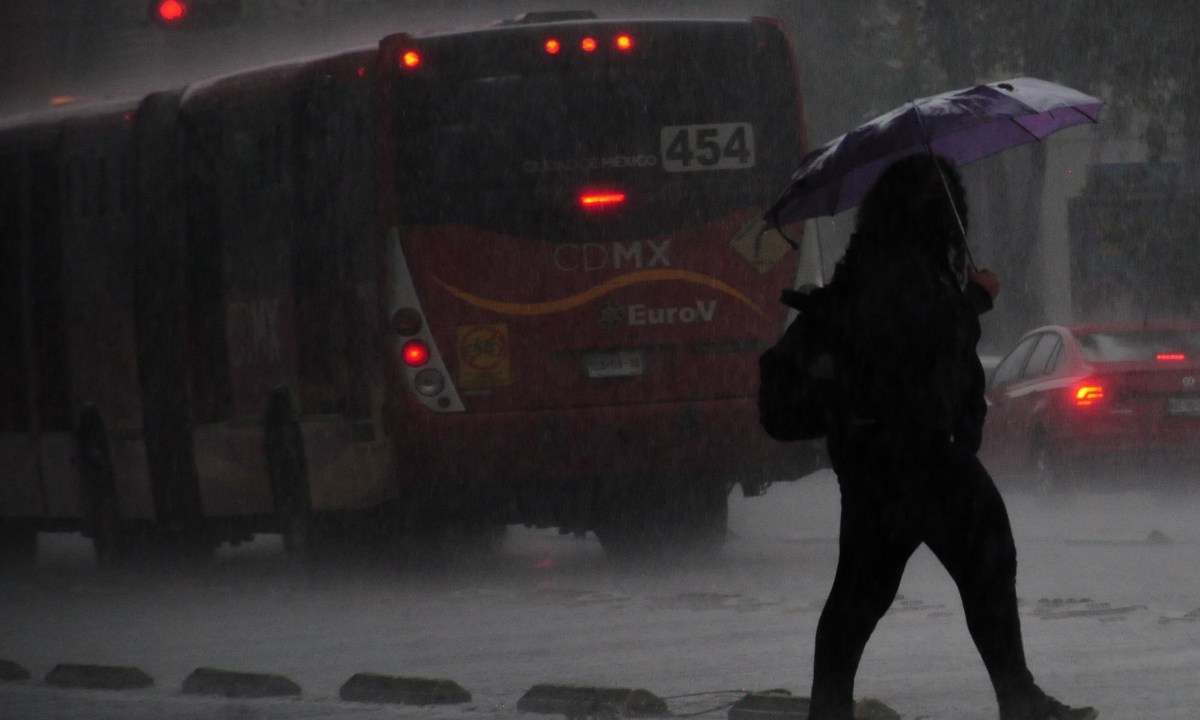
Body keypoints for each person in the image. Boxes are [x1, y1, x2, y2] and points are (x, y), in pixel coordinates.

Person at [807, 153, 1096, 720]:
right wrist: (975, 299)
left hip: (879, 453)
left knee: (864, 588)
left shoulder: (872, 262)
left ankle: (830, 705)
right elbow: (922, 346)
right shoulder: (904, 269)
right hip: (918, 450)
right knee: (984, 559)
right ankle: (1018, 699)